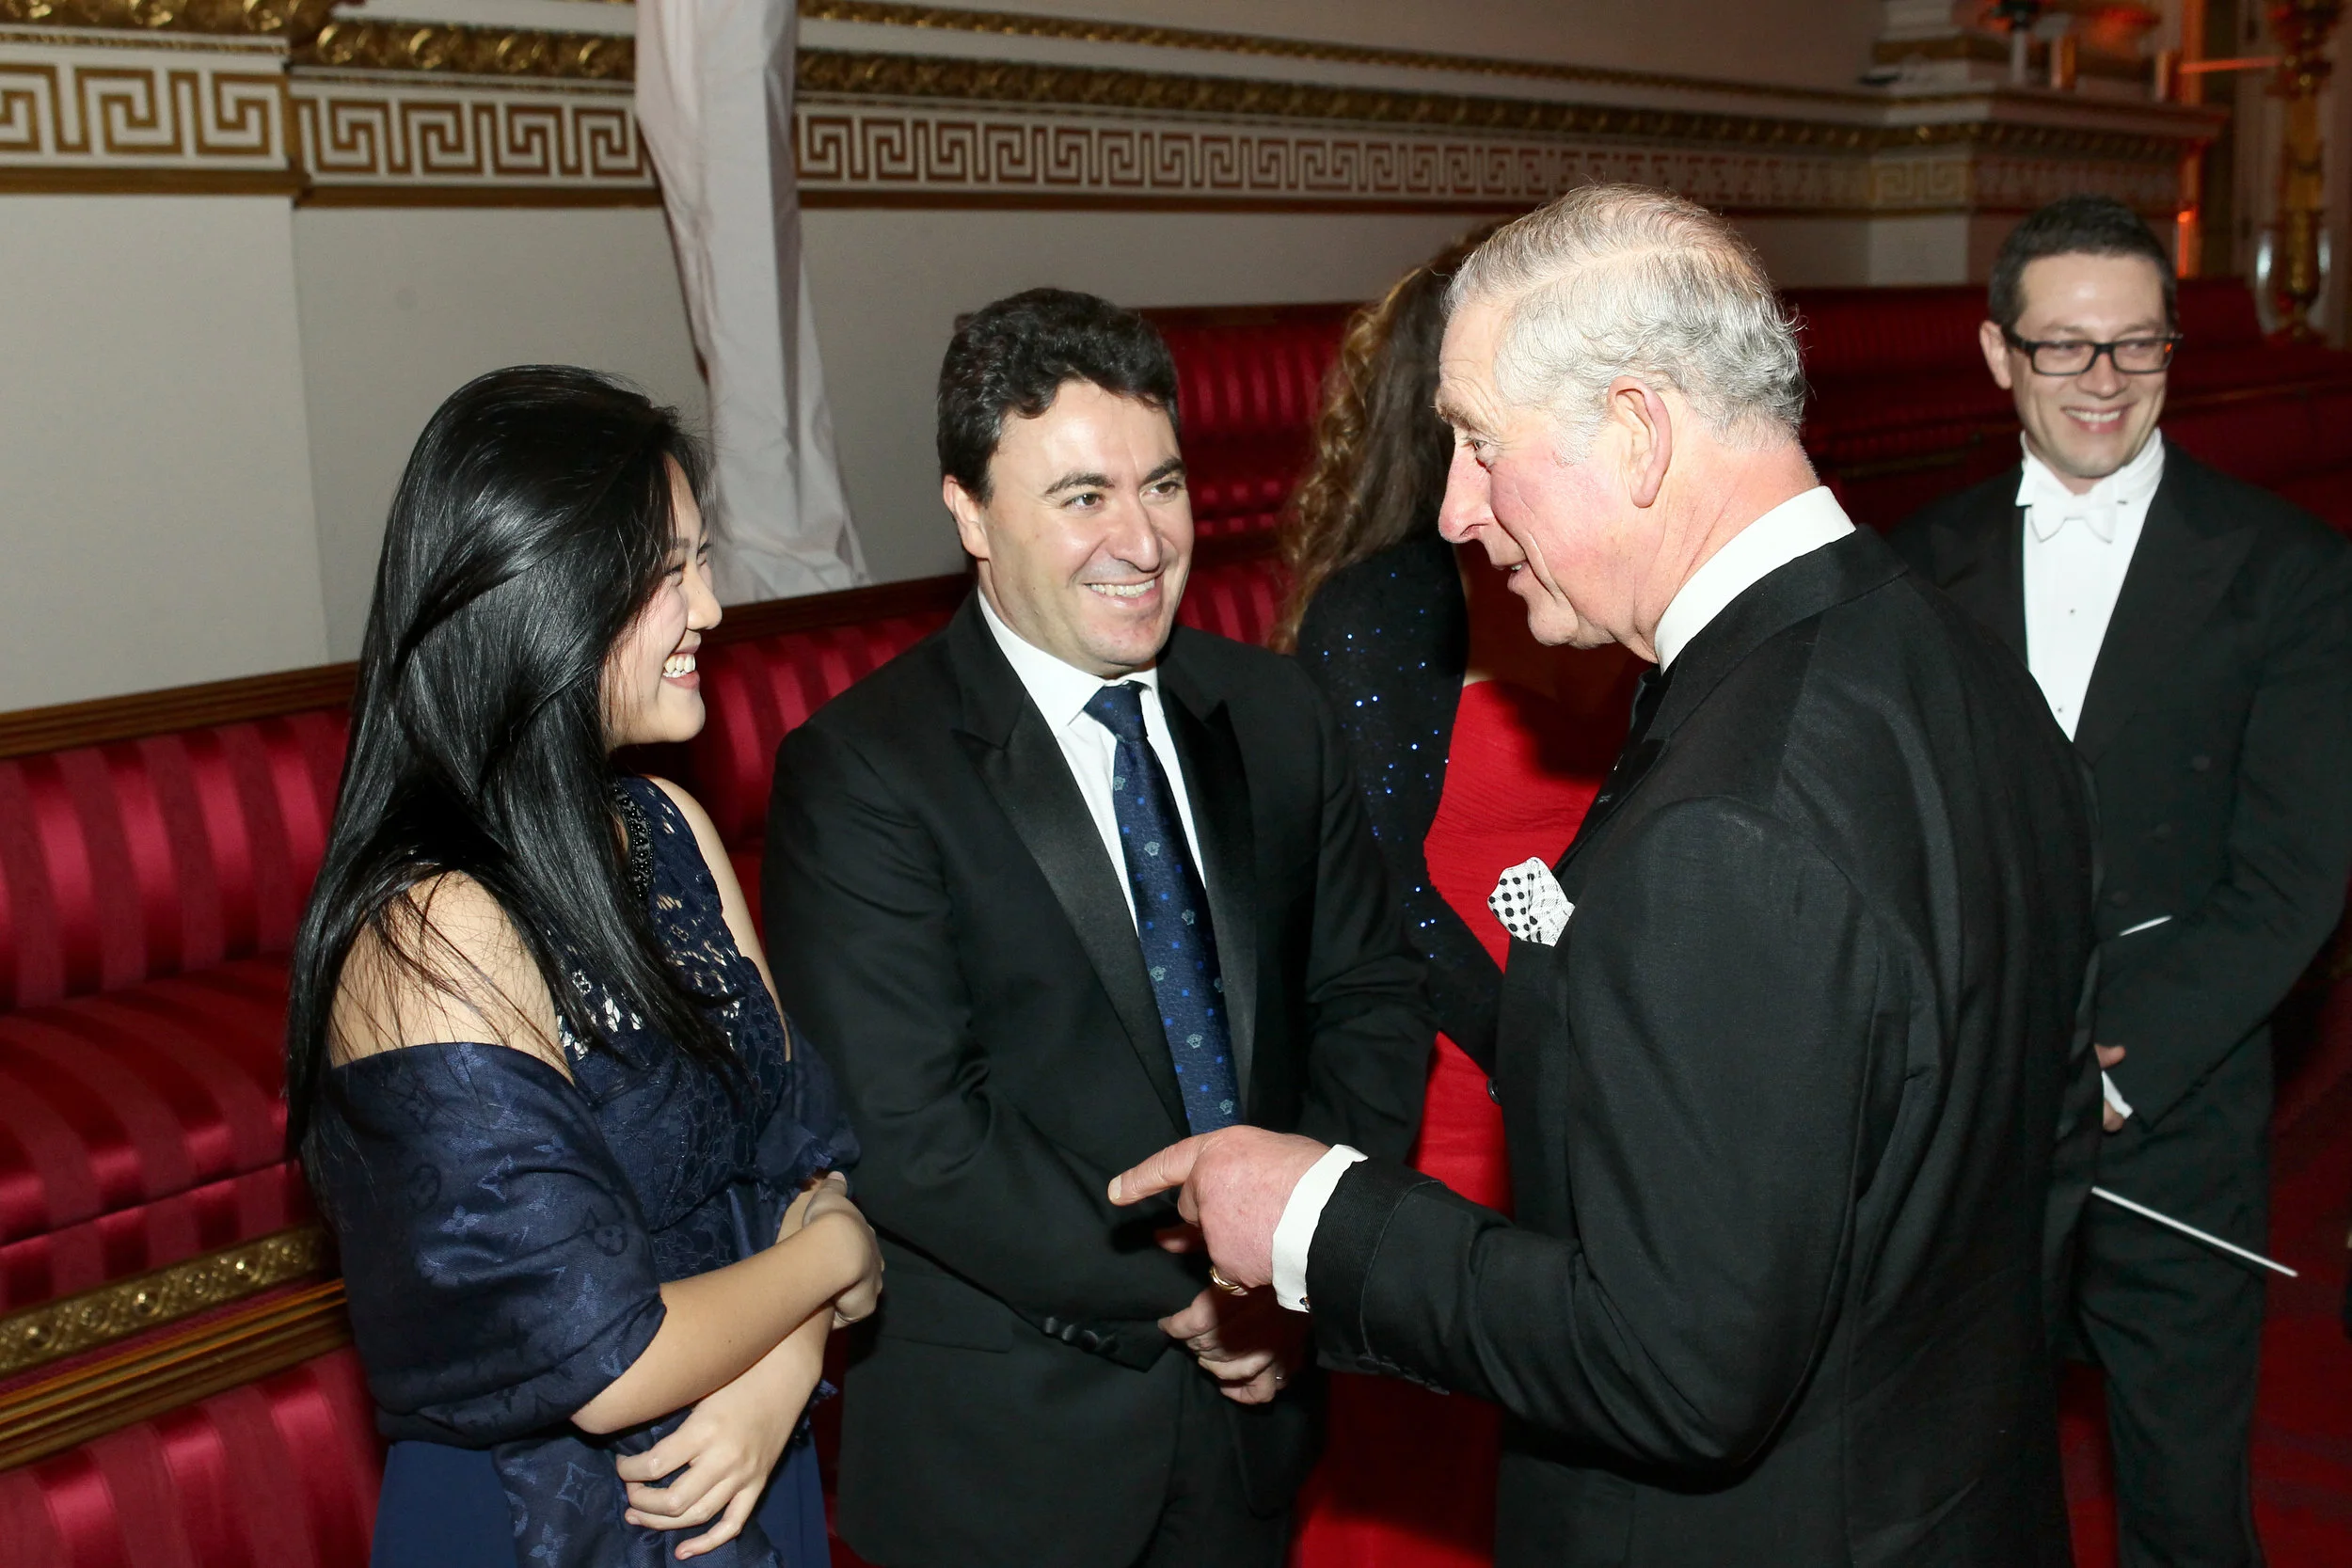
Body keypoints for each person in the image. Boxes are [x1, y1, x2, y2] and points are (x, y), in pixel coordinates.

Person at [1110, 184, 2102, 1566]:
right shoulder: (1969, 668)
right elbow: (2045, 1161)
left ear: (1636, 431)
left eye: (1477, 442)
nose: (1454, 508)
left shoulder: (1728, 823)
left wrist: (1316, 1219)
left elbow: (1677, 1365)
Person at [763, 288, 1434, 1568]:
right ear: (969, 512)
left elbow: (1370, 997)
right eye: (1082, 496)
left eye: (1163, 484)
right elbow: (914, 1128)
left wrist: (1299, 1250)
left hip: (1258, 1423)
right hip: (1011, 1455)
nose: (1142, 538)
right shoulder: (865, 769)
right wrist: (1205, 1287)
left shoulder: (1277, 711)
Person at [285, 367, 883, 1568]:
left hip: (736, 1459)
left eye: (702, 561)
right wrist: (831, 1259)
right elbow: (604, 1357)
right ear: (543, 596)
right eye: (669, 573)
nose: (711, 606)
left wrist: (787, 1362)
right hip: (547, 1517)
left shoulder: (668, 829)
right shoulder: (432, 931)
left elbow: (807, 1161)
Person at [1890, 194, 2352, 1568]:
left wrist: (2113, 1065)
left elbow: (2297, 873)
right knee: (1961, 1505)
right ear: (1998, 353)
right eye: (2064, 346)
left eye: (2136, 344)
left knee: (2185, 1510)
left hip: (2174, 1117)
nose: (2103, 378)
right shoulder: (1912, 567)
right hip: (1965, 1133)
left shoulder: (2291, 571)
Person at [1275, 229, 1631, 1565]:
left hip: (1622, 1062)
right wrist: (1531, 1036)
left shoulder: (1619, 580)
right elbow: (1380, 895)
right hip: (1447, 1083)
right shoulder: (1379, 611)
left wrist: (1615, 1028)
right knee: (1427, 1456)